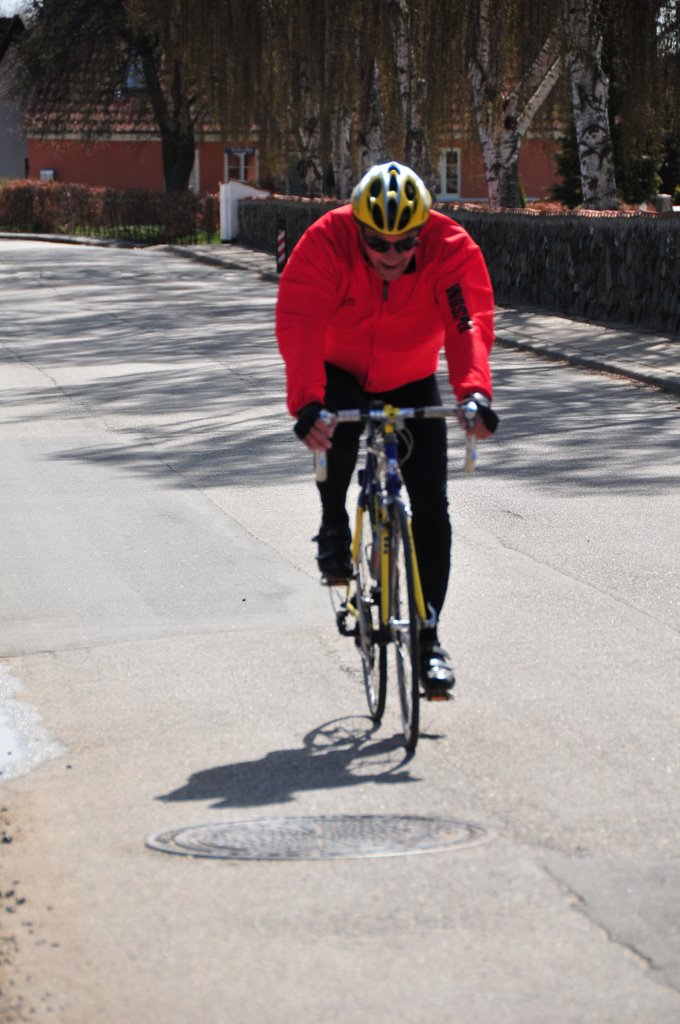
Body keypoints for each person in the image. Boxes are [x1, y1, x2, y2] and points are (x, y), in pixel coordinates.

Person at [275, 160, 498, 695]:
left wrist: (474, 392)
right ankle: (334, 523)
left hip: (410, 375)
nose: (392, 255)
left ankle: (429, 640)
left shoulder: (449, 247)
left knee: (432, 505)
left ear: (423, 232)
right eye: (378, 243)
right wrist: (307, 403)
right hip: (340, 369)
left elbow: (467, 322)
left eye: (405, 243)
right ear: (358, 229)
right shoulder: (326, 242)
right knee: (336, 424)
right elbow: (301, 322)